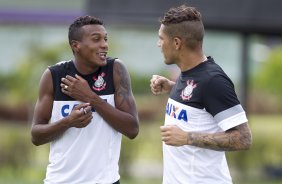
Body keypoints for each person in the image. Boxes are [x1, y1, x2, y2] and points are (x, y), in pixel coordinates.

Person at [150, 5, 252, 184]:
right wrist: (172, 87)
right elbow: (198, 106)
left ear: (176, 43)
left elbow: (243, 139)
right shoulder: (189, 73)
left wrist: (187, 138)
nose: (158, 44)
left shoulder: (213, 80)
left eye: (161, 38)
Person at [31, 15, 139, 184]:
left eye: (105, 39)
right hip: (60, 180)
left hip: (105, 181)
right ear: (76, 46)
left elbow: (132, 129)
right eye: (96, 39)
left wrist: (90, 97)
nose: (104, 44)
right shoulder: (54, 75)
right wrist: (67, 122)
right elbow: (36, 136)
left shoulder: (115, 70)